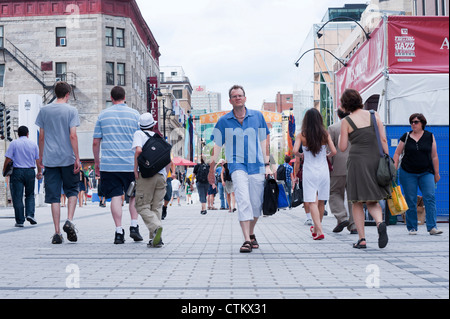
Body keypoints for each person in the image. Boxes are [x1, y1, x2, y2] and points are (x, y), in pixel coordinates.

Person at [209, 85, 271, 253]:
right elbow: (217, 146)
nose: (238, 98)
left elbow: (265, 141)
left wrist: (267, 165)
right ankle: (246, 240)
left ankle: (251, 233)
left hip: (257, 165)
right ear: (230, 100)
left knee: (256, 204)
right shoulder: (224, 121)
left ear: (245, 98)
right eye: (234, 96)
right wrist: (211, 169)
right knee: (243, 200)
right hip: (236, 165)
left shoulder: (257, 116)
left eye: (240, 95)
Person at [338, 89, 389, 249]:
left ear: (345, 105)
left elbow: (343, 147)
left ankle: (362, 239)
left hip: (357, 162)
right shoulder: (374, 115)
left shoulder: (346, 121)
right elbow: (383, 139)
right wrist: (387, 159)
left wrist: (342, 135)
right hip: (375, 160)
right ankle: (380, 223)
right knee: (372, 199)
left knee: (356, 201)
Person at [93, 86, 143, 244]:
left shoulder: (103, 115)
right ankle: (134, 226)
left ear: (111, 97)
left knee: (115, 196)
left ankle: (119, 231)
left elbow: (96, 142)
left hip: (110, 164)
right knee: (133, 196)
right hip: (131, 165)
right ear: (125, 97)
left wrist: (96, 162)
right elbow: (141, 140)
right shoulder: (135, 115)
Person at [35, 81, 80, 244]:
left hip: (50, 159)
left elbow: (41, 136)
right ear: (67, 94)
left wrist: (40, 158)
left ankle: (56, 233)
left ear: (55, 93)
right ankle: (69, 220)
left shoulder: (44, 110)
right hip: (67, 158)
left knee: (54, 196)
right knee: (73, 190)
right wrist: (77, 158)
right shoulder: (71, 110)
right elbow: (73, 135)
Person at [393, 113, 443, 236]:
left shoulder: (429, 136)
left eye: (416, 122)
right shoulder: (405, 136)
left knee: (430, 197)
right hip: (407, 172)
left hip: (426, 172)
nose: (413, 124)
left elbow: (434, 156)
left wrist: (437, 173)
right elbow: (397, 153)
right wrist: (394, 168)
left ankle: (432, 227)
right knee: (410, 199)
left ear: (422, 123)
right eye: (411, 122)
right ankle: (412, 227)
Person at [293, 108, 337, 241]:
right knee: (322, 200)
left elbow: (295, 150)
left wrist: (300, 154)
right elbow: (334, 151)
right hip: (323, 170)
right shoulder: (325, 134)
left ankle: (319, 230)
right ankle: (317, 229)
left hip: (309, 171)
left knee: (311, 201)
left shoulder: (302, 135)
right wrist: (327, 154)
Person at [132, 113, 170, 248]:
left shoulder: (139, 134)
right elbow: (168, 157)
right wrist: (165, 175)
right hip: (161, 176)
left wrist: (135, 169)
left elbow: (138, 151)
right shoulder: (158, 138)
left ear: (140, 125)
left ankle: (156, 227)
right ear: (153, 125)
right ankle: (155, 239)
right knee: (156, 207)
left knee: (141, 206)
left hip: (147, 176)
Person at [3, 126, 42, 227]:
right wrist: (39, 172)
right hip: (30, 171)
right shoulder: (33, 144)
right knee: (30, 195)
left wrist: (4, 170)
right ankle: (30, 214)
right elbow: (38, 160)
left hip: (17, 172)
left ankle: (20, 221)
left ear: (18, 134)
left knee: (17, 197)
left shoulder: (14, 143)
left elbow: (8, 159)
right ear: (28, 134)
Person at [328, 108, 356, 234]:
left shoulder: (333, 128)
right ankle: (354, 224)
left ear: (338, 116)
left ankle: (341, 216)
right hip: (355, 165)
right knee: (353, 196)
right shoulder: (357, 126)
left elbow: (330, 149)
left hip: (338, 166)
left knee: (334, 193)